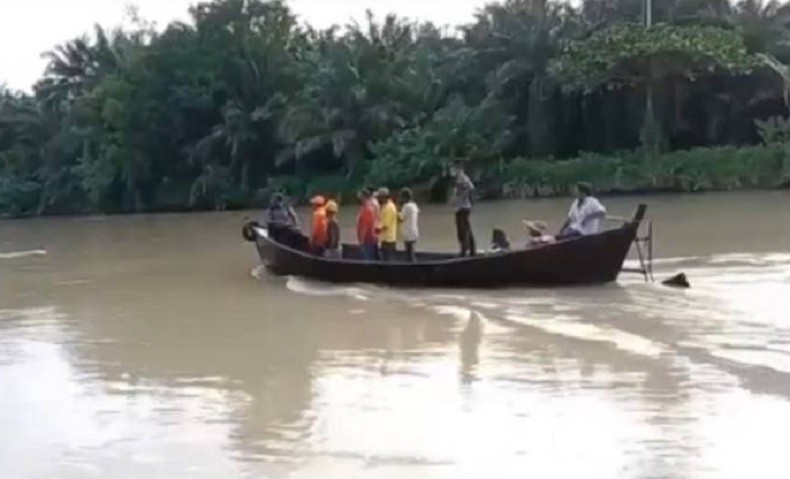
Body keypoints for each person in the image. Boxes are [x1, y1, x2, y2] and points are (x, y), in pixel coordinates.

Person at [450, 161, 476, 257]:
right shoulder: (459, 178)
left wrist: (460, 198)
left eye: (453, 169)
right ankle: (469, 250)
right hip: (460, 207)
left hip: (463, 207)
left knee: (463, 230)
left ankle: (465, 250)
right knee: (465, 229)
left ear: (458, 169)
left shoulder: (462, 177)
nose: (451, 171)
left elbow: (470, 187)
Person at [376, 187, 398, 261]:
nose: (377, 199)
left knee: (388, 260)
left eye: (379, 197)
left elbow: (385, 224)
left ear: (383, 197)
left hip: (388, 239)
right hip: (385, 238)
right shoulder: (385, 206)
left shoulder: (389, 207)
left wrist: (376, 229)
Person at [398, 188, 419, 262]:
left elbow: (401, 218)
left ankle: (412, 267)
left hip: (408, 232)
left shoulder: (406, 206)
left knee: (409, 253)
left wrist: (396, 212)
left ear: (405, 197)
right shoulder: (414, 206)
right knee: (411, 251)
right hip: (414, 231)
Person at [356, 189, 378, 260]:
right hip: (367, 239)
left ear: (364, 197)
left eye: (360, 196)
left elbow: (365, 227)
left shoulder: (367, 209)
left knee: (367, 259)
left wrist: (361, 241)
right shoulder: (364, 207)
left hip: (367, 240)